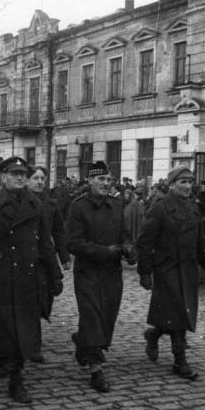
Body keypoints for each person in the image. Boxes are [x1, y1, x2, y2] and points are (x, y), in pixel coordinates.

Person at [0, 156, 62, 404]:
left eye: (23, 173)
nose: (20, 177)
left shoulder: (36, 205)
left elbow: (45, 243)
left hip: (29, 278)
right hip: (2, 277)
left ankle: (14, 373)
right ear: (2, 177)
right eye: (14, 173)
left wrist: (55, 275)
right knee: (8, 330)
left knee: (24, 329)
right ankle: (14, 376)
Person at [136, 166, 205, 380]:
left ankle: (153, 334)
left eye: (190, 182)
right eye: (182, 182)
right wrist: (144, 272)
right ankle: (180, 361)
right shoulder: (160, 208)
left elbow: (201, 241)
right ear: (171, 185)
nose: (187, 186)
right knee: (179, 313)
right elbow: (145, 241)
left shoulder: (194, 208)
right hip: (167, 268)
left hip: (189, 269)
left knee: (178, 313)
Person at [65, 161, 136, 392]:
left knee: (106, 318)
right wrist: (104, 251)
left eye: (108, 180)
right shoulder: (79, 207)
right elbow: (74, 244)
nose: (106, 184)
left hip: (111, 274)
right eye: (100, 179)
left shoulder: (116, 205)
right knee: (92, 317)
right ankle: (96, 370)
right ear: (89, 181)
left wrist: (128, 248)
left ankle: (83, 342)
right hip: (88, 273)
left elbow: (125, 234)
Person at [26, 165, 71, 363]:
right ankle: (33, 344)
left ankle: (29, 338)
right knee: (29, 302)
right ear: (27, 180)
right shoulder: (21, 201)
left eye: (42, 178)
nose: (39, 182)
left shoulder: (51, 204)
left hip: (44, 259)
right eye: (35, 178)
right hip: (24, 259)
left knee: (44, 298)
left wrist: (64, 256)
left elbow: (59, 232)